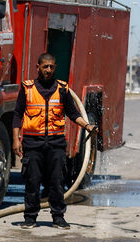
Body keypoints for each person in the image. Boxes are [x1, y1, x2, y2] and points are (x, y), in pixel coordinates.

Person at [11, 52, 96, 230]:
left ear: (55, 68)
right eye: (45, 67)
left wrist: (87, 126)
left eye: (51, 67)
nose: (48, 70)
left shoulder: (63, 89)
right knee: (33, 181)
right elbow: (17, 115)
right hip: (33, 143)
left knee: (57, 181)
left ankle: (58, 217)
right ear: (38, 68)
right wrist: (16, 141)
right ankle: (30, 218)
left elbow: (73, 114)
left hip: (56, 143)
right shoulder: (27, 88)